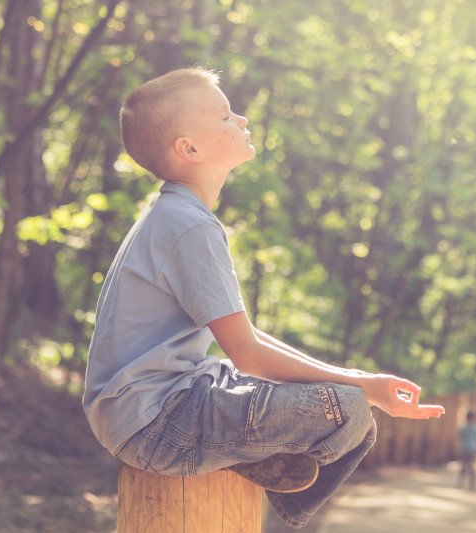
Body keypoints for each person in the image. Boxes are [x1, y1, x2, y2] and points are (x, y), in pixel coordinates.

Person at [82, 67, 445, 529]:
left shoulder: (178, 214)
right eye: (225, 115)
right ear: (189, 148)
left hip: (162, 406)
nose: (243, 119)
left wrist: (356, 375)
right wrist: (361, 387)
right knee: (346, 409)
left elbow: (245, 338)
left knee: (347, 397)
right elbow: (248, 355)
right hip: (156, 422)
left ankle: (248, 462)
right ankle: (281, 507)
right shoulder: (188, 225)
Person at [457, 409, 476, 490]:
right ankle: (472, 485)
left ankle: (462, 483)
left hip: (466, 449)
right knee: (471, 467)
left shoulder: (464, 427)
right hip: (472, 449)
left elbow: (460, 436)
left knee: (465, 467)